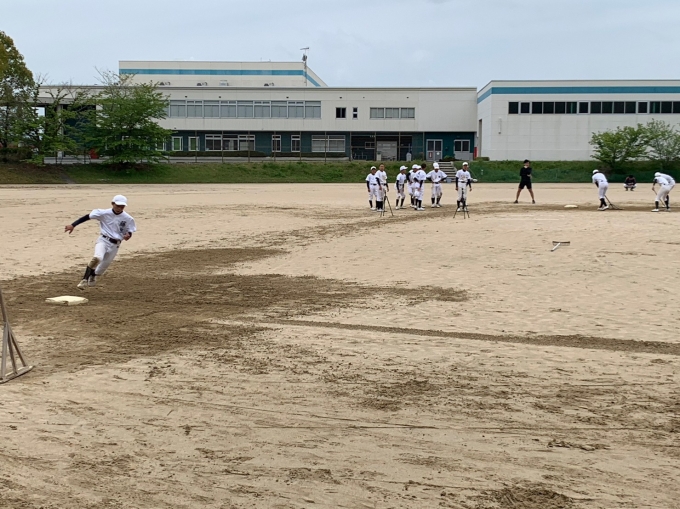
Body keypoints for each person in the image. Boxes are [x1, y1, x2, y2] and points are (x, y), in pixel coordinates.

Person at [64, 195, 137, 290]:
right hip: (103, 240)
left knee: (101, 269)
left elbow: (129, 230)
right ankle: (84, 280)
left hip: (115, 245)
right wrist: (73, 225)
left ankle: (93, 275)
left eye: (122, 206)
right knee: (97, 257)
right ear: (112, 204)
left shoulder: (128, 218)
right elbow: (88, 217)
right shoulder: (104, 213)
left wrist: (128, 235)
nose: (119, 208)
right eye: (117, 206)